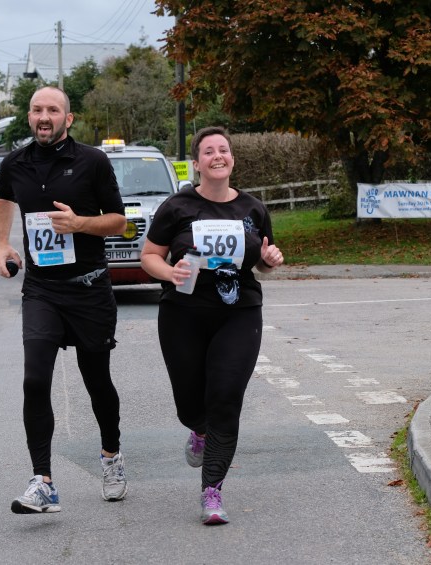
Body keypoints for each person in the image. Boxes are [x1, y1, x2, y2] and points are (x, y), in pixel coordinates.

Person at [139, 126, 285, 525]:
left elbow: (262, 260)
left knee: (225, 397)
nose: (217, 156)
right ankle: (198, 430)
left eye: (223, 150)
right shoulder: (177, 206)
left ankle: (212, 491)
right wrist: (169, 272)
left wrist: (269, 261)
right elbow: (149, 256)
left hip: (239, 313)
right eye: (209, 151)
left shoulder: (253, 209)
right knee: (190, 403)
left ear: (232, 159)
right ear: (197, 163)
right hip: (182, 314)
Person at [0, 86, 128, 514]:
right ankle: (43, 481)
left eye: (53, 110)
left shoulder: (93, 161)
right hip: (42, 290)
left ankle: (111, 455)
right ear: (29, 116)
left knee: (97, 382)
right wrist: (2, 244)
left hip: (89, 289)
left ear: (68, 119)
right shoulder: (15, 163)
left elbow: (119, 222)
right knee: (35, 380)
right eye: (37, 110)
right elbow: (3, 197)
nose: (44, 116)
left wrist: (79, 224)